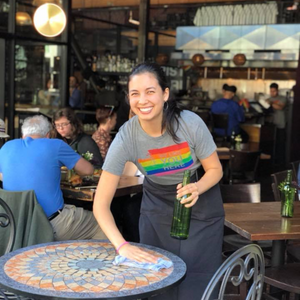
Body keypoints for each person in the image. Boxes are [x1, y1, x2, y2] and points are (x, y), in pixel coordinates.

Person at [93, 62, 224, 300]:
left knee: (197, 282)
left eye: (150, 91)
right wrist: (122, 246)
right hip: (157, 206)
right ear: (129, 99)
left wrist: (197, 187)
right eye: (135, 94)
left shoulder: (189, 123)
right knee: (157, 280)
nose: (143, 100)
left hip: (200, 201)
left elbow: (215, 169)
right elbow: (100, 205)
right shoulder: (125, 137)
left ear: (165, 94)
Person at [0, 115, 106, 241]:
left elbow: (3, 176)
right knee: (103, 224)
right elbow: (88, 170)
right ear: (48, 135)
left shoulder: (6, 147)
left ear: (23, 135)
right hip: (50, 224)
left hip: (13, 224)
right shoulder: (56, 145)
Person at [266, 82, 287, 164]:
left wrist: (271, 103)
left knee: (280, 144)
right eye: (271, 91)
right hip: (271, 125)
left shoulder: (282, 98)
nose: (272, 93)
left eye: (274, 91)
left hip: (280, 125)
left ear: (277, 91)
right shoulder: (269, 99)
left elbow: (280, 107)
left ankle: (280, 163)